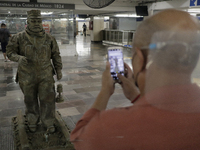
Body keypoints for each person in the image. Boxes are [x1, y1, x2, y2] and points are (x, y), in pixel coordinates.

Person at [70, 9, 200, 149]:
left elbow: (79, 139)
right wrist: (136, 96)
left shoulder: (112, 126)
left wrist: (105, 91)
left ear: (139, 59)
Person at [6, 10, 62, 133]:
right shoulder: (18, 37)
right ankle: (32, 120)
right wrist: (18, 58)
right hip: (26, 75)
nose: (36, 23)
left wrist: (58, 69)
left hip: (45, 74)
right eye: (33, 21)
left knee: (47, 98)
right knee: (30, 99)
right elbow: (10, 52)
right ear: (28, 22)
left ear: (42, 22)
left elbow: (56, 55)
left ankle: (48, 121)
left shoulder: (49, 38)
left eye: (38, 21)